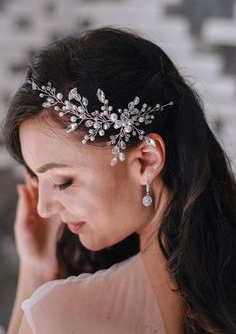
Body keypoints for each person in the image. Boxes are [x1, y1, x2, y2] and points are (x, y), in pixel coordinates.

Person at [2, 26, 236, 334]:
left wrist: (35, 274)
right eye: (37, 178)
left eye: (62, 181)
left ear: (146, 161)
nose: (44, 209)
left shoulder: (61, 315)